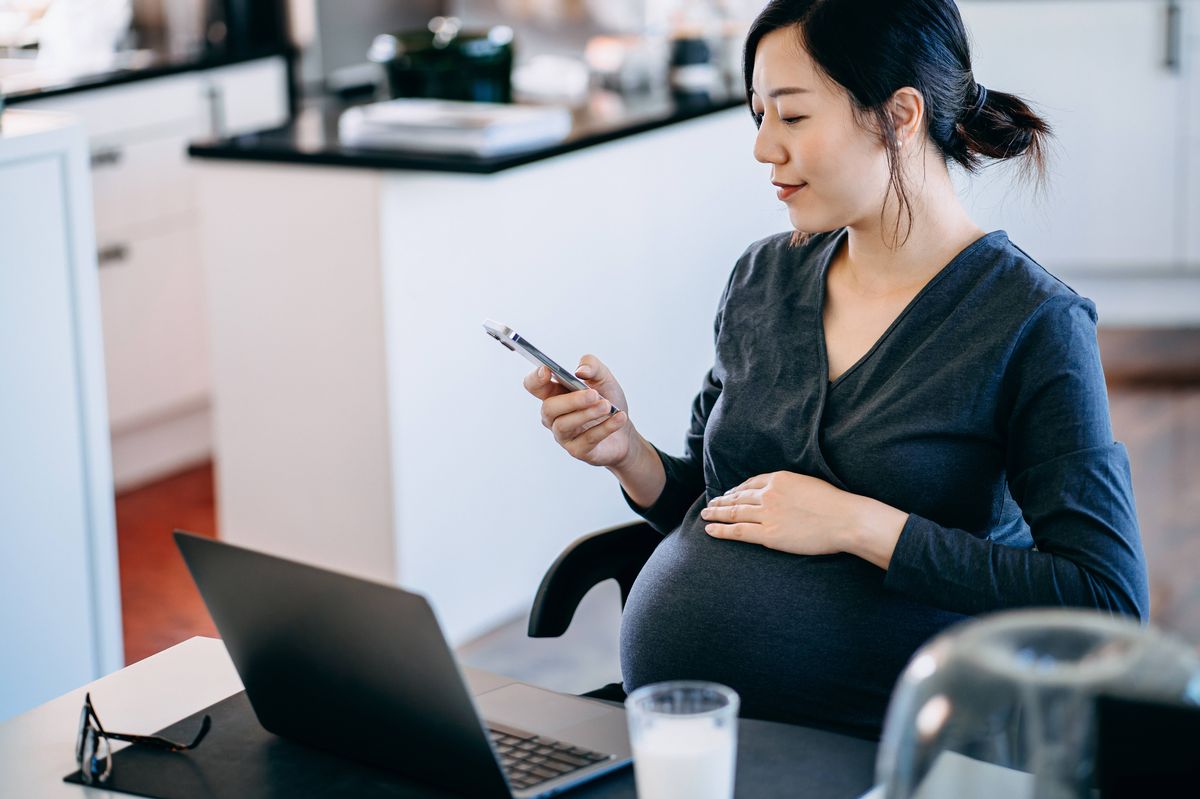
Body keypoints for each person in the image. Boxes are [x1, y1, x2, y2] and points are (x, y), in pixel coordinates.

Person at [522, 0, 1149, 739]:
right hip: (685, 733)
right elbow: (717, 503)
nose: (762, 147)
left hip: (883, 751)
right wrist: (626, 453)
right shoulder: (762, 277)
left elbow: (1105, 600)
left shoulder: (1033, 322)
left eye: (791, 117)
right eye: (757, 116)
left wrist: (864, 526)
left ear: (901, 115)